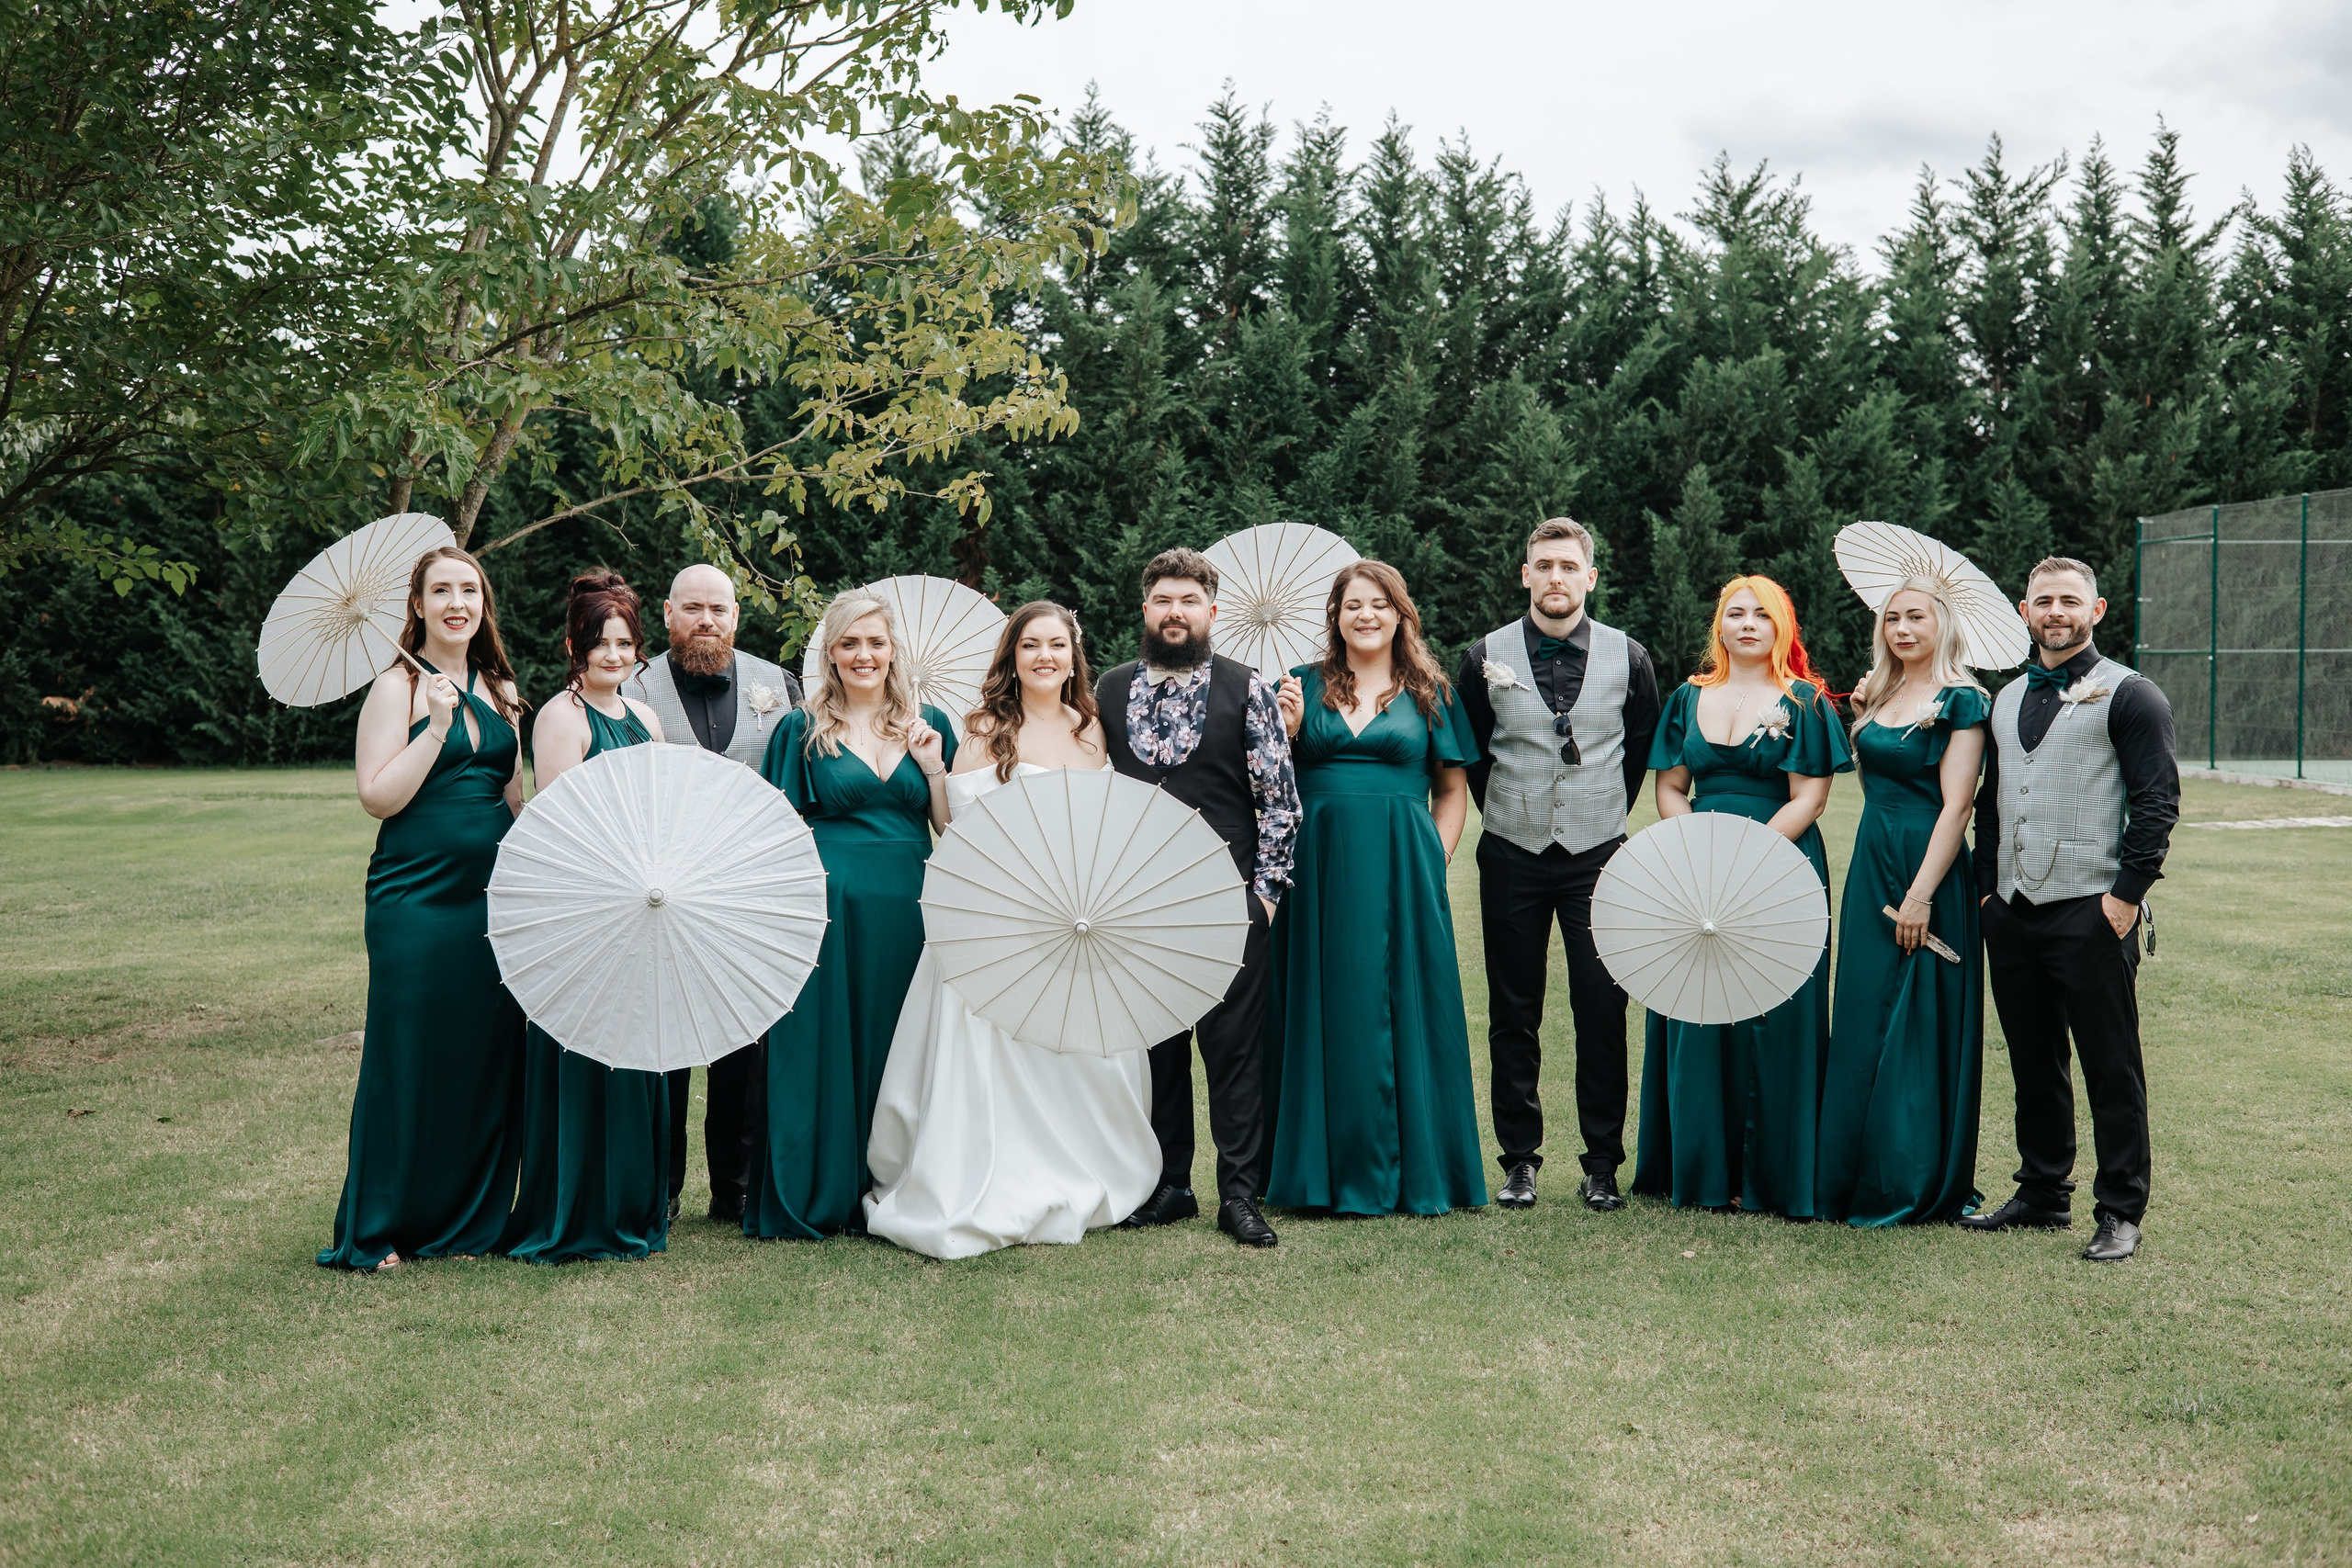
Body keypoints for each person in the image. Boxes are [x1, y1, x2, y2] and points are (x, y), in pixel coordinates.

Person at [863, 603, 1161, 1259]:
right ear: (1013, 655)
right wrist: (936, 768)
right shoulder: (984, 727)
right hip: (994, 916)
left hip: (1072, 919)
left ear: (1073, 655)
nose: (1045, 656)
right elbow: (955, 826)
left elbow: (1104, 823)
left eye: (1057, 644)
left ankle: (1080, 1164)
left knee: (1075, 1055)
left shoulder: (1091, 730)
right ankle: (979, 1174)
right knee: (987, 1056)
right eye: (1031, 645)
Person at [1959, 557, 2177, 1262]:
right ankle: (2043, 1190)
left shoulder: (2132, 694)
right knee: (2033, 1060)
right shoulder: (2005, 696)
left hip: (2092, 907)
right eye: (2043, 600)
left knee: (2111, 1065)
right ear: (2025, 610)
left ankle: (2119, 1208)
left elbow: (2156, 803)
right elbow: (1992, 802)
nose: (2056, 611)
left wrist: (2124, 899)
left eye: (2069, 600)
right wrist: (1988, 893)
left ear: (2098, 609)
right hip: (2014, 909)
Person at [319, 545, 527, 1270]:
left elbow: (514, 797)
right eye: (441, 590)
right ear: (418, 606)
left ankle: (467, 1220)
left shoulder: (502, 688)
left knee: (481, 1055)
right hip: (415, 897)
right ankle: (379, 1228)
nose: (457, 603)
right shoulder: (395, 689)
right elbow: (378, 795)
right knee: (406, 1055)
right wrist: (435, 726)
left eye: (469, 589)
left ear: (483, 603)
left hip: (492, 903)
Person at [1264, 562, 1487, 1216]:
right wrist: (1288, 731)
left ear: (1400, 614)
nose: (1365, 614)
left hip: (1404, 862)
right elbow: (1270, 781)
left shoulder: (1430, 691)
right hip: (1316, 864)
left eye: (1378, 603)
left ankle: (1418, 1167)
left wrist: (1435, 855)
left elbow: (1452, 790)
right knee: (1319, 1001)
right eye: (1351, 604)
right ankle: (1315, 1172)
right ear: (1334, 616)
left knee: (1410, 1004)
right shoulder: (1299, 686)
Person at [1094, 548, 1301, 1248]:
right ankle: (1169, 1184)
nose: (1175, 612)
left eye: (1189, 600)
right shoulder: (1108, 690)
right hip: (1136, 906)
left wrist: (1264, 897)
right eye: (1163, 600)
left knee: (1234, 1049)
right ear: (1145, 609)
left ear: (1212, 612)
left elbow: (1279, 802)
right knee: (1156, 1048)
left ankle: (1239, 1193)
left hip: (1229, 903)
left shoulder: (1248, 690)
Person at [1455, 517, 1661, 1213]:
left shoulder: (1629, 656)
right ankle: (1520, 1159)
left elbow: (1638, 749)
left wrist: (1599, 812)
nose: (1555, 577)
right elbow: (1474, 752)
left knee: (1602, 1005)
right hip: (1510, 850)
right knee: (1513, 1010)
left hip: (1600, 856)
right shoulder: (1483, 654)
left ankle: (1602, 1161)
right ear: (1524, 574)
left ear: (1590, 577)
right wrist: (1511, 813)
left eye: (1568, 566)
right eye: (1543, 565)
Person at [1631, 575, 1850, 1218]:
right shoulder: (1687, 697)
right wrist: (1697, 844)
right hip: (1696, 866)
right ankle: (1696, 1168)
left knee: (1776, 1013)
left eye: (1762, 613)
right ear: (1718, 626)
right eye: (1735, 613)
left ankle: (1771, 1175)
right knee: (1695, 1008)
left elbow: (1809, 796)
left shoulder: (1805, 702)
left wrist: (1747, 855)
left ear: (1782, 625)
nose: (1748, 623)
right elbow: (1670, 785)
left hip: (1778, 864)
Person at [748, 590, 954, 1238]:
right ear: (831, 654)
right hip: (830, 909)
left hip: (913, 907)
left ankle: (899, 1184)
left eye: (875, 643)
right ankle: (825, 1187)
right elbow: (776, 832)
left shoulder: (931, 723)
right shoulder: (799, 728)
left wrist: (935, 769)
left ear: (893, 652)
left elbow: (948, 828)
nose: (864, 655)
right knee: (828, 1044)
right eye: (849, 644)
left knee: (905, 1041)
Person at [498, 573, 674, 1263]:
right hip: (586, 908)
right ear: (574, 645)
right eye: (599, 641)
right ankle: (575, 1212)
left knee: (635, 1053)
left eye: (624, 642)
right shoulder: (560, 719)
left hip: (641, 906)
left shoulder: (647, 719)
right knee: (586, 1052)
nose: (612, 653)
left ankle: (634, 1204)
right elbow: (565, 825)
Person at [620, 562, 803, 1224]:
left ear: (735, 617)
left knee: (741, 1046)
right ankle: (662, 1185)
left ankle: (736, 1184)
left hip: (744, 897)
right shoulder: (631, 685)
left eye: (718, 609)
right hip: (660, 893)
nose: (706, 619)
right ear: (667, 615)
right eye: (692, 607)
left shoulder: (778, 685)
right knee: (665, 1042)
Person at [1815, 578, 1988, 1226]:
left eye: (1916, 617)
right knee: (1861, 1012)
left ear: (1942, 623)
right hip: (1872, 860)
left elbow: (1957, 805)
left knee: (1917, 1022)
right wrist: (1865, 714)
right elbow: (1873, 780)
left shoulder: (1963, 700)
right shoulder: (1881, 693)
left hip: (1929, 865)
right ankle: (1848, 1173)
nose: (1902, 629)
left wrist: (1921, 894)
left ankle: (1910, 1176)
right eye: (1892, 618)